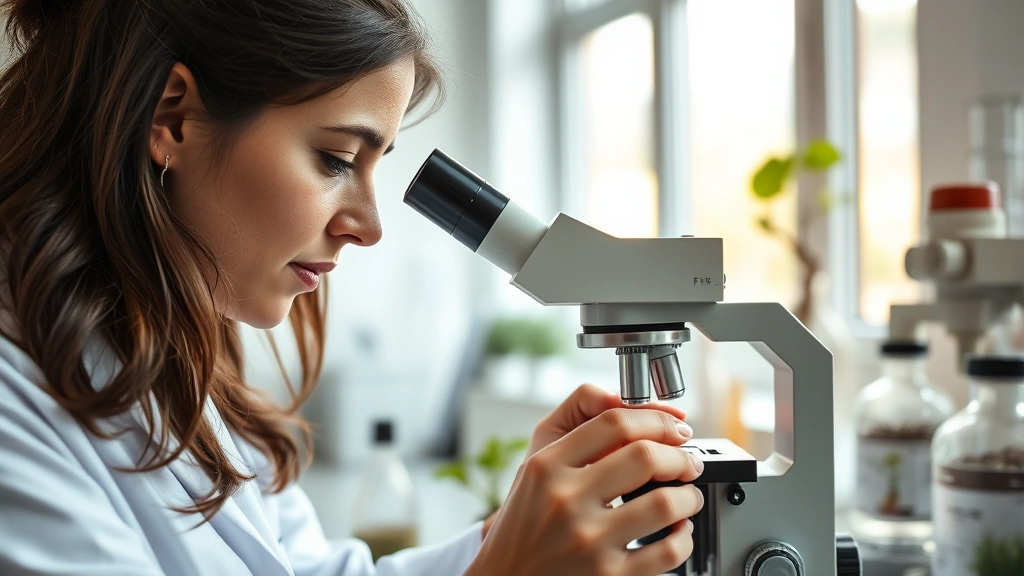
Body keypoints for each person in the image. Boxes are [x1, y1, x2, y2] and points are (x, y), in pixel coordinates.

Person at [0, 0, 705, 574]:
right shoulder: (14, 404)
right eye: (335, 158)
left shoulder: (166, 358)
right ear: (173, 117)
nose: (369, 228)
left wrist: (510, 533)